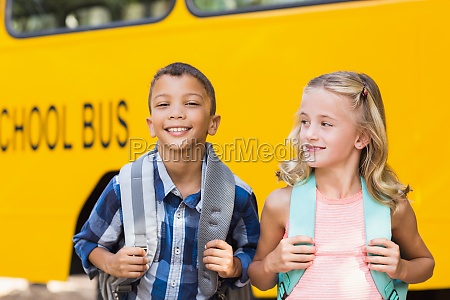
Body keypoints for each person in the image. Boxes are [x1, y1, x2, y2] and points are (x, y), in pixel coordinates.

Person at [73, 62, 260, 300]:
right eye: (163, 104)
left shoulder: (236, 194)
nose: (176, 113)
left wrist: (234, 266)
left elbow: (254, 253)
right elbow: (86, 242)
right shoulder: (125, 186)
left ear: (213, 123)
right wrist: (110, 263)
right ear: (151, 125)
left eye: (191, 103)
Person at [248, 71, 434, 299]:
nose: (310, 134)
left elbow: (425, 264)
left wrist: (402, 269)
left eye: (325, 123)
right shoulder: (281, 204)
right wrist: (271, 264)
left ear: (362, 137)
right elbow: (259, 279)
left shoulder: (391, 207)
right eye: (305, 121)